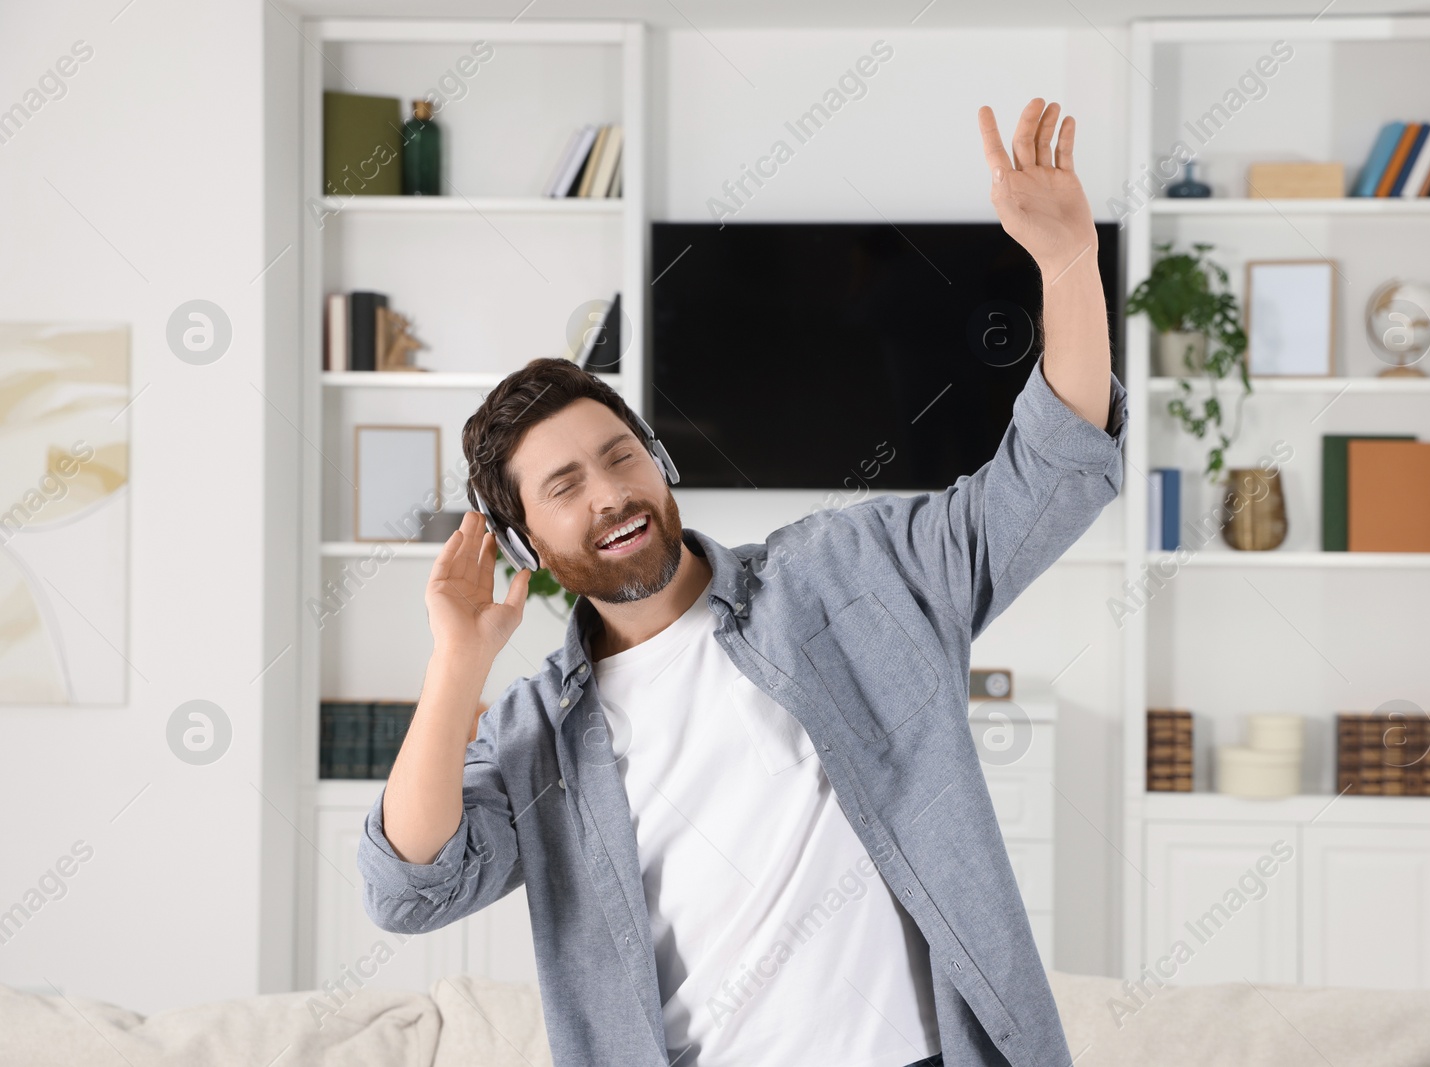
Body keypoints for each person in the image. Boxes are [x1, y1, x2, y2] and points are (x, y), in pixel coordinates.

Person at [357, 98, 1127, 1067]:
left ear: (657, 461)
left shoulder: (852, 573)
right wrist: (457, 660)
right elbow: (407, 888)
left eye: (620, 454)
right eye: (564, 484)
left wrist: (1064, 262)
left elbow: (1051, 476)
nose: (609, 492)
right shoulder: (536, 734)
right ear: (527, 541)